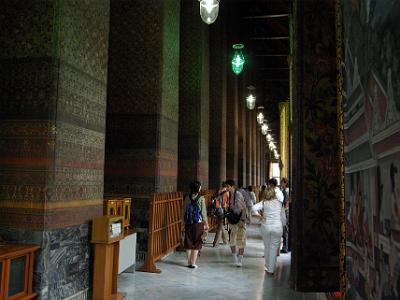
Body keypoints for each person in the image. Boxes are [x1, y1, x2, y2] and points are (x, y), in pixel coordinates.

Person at [252, 178, 284, 276]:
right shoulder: (279, 203)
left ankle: (268, 266)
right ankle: (271, 269)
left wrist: (260, 216)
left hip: (266, 226)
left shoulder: (264, 203)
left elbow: (253, 208)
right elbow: (283, 215)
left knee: (267, 246)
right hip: (277, 227)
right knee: (274, 248)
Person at [182, 180, 209, 269]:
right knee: (197, 243)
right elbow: (203, 212)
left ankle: (189, 262)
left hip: (188, 223)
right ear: (198, 188)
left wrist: (183, 222)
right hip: (198, 224)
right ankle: (193, 263)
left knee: (188, 242)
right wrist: (206, 223)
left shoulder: (187, 197)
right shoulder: (201, 198)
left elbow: (184, 211)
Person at [225, 179, 247, 267]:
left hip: (239, 220)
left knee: (241, 239)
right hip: (232, 220)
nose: (226, 188)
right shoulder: (229, 194)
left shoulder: (238, 194)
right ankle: (234, 258)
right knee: (231, 239)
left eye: (228, 186)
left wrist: (242, 220)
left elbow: (243, 208)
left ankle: (240, 259)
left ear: (232, 186)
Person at [212, 181, 229, 247]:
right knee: (220, 226)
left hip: (217, 210)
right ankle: (215, 243)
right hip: (222, 210)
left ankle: (225, 241)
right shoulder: (227, 193)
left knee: (221, 225)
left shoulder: (219, 191)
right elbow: (225, 204)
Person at [280, 177, 290, 253]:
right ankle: (286, 246)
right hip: (285, 211)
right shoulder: (286, 190)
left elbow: (286, 203)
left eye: (282, 182)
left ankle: (285, 247)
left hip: (285, 212)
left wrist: (284, 211)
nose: (281, 183)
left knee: (285, 229)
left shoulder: (285, 191)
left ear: (285, 183)